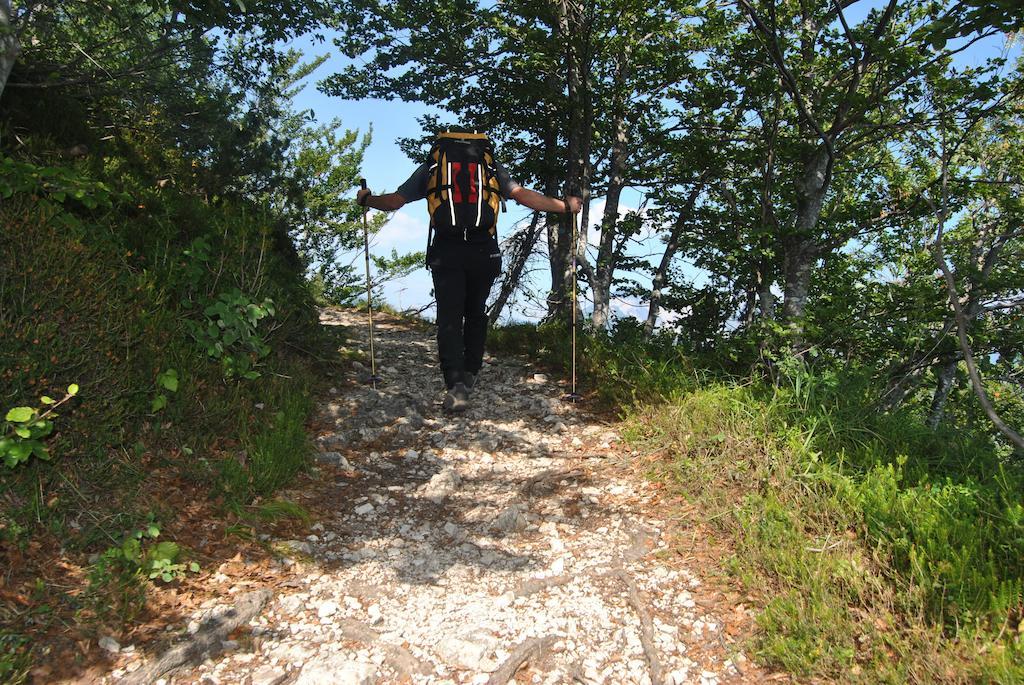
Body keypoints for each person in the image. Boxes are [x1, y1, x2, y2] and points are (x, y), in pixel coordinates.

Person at [357, 131, 582, 412]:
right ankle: (471, 372)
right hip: (483, 250)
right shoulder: (489, 166)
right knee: (475, 311)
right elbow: (523, 196)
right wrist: (565, 206)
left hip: (446, 250)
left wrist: (367, 199)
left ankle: (456, 386)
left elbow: (394, 202)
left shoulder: (433, 167)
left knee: (449, 316)